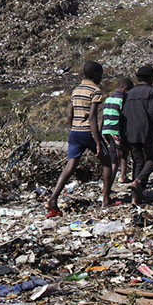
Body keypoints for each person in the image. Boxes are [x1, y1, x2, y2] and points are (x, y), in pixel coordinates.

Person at [46, 61, 114, 217]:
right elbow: (92, 118)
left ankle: (52, 199)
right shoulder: (95, 91)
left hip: (75, 132)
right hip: (88, 132)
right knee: (107, 161)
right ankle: (106, 199)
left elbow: (69, 114)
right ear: (96, 74)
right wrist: (98, 142)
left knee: (70, 166)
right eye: (101, 73)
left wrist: (73, 128)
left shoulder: (76, 90)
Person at [122, 66, 153, 205]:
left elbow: (123, 114)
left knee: (138, 161)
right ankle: (139, 181)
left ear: (138, 78)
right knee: (152, 158)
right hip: (146, 131)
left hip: (130, 132)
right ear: (151, 78)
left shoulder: (129, 93)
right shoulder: (152, 91)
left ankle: (135, 197)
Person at [101, 78, 134, 185]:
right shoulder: (123, 100)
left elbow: (102, 117)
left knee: (123, 152)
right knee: (114, 159)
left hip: (106, 130)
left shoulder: (108, 99)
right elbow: (124, 117)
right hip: (116, 131)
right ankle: (109, 185)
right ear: (126, 89)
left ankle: (123, 176)